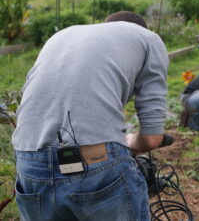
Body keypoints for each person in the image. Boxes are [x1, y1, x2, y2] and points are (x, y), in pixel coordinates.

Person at [12, 11, 169, 221]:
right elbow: (152, 139)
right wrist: (129, 141)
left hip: (28, 158)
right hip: (93, 160)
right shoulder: (148, 38)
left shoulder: (62, 36)